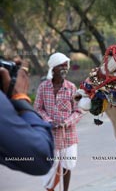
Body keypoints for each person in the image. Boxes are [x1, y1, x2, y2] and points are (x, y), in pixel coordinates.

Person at [34, 52, 83, 191]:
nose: (64, 68)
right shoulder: (43, 87)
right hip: (50, 135)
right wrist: (49, 121)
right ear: (53, 68)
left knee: (68, 165)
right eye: (61, 66)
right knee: (51, 167)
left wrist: (66, 122)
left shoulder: (72, 88)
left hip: (68, 135)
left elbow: (78, 111)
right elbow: (38, 108)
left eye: (66, 66)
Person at [0, 59, 54, 175]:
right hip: (43, 132)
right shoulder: (43, 89)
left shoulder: (70, 87)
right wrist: (21, 98)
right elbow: (41, 158)